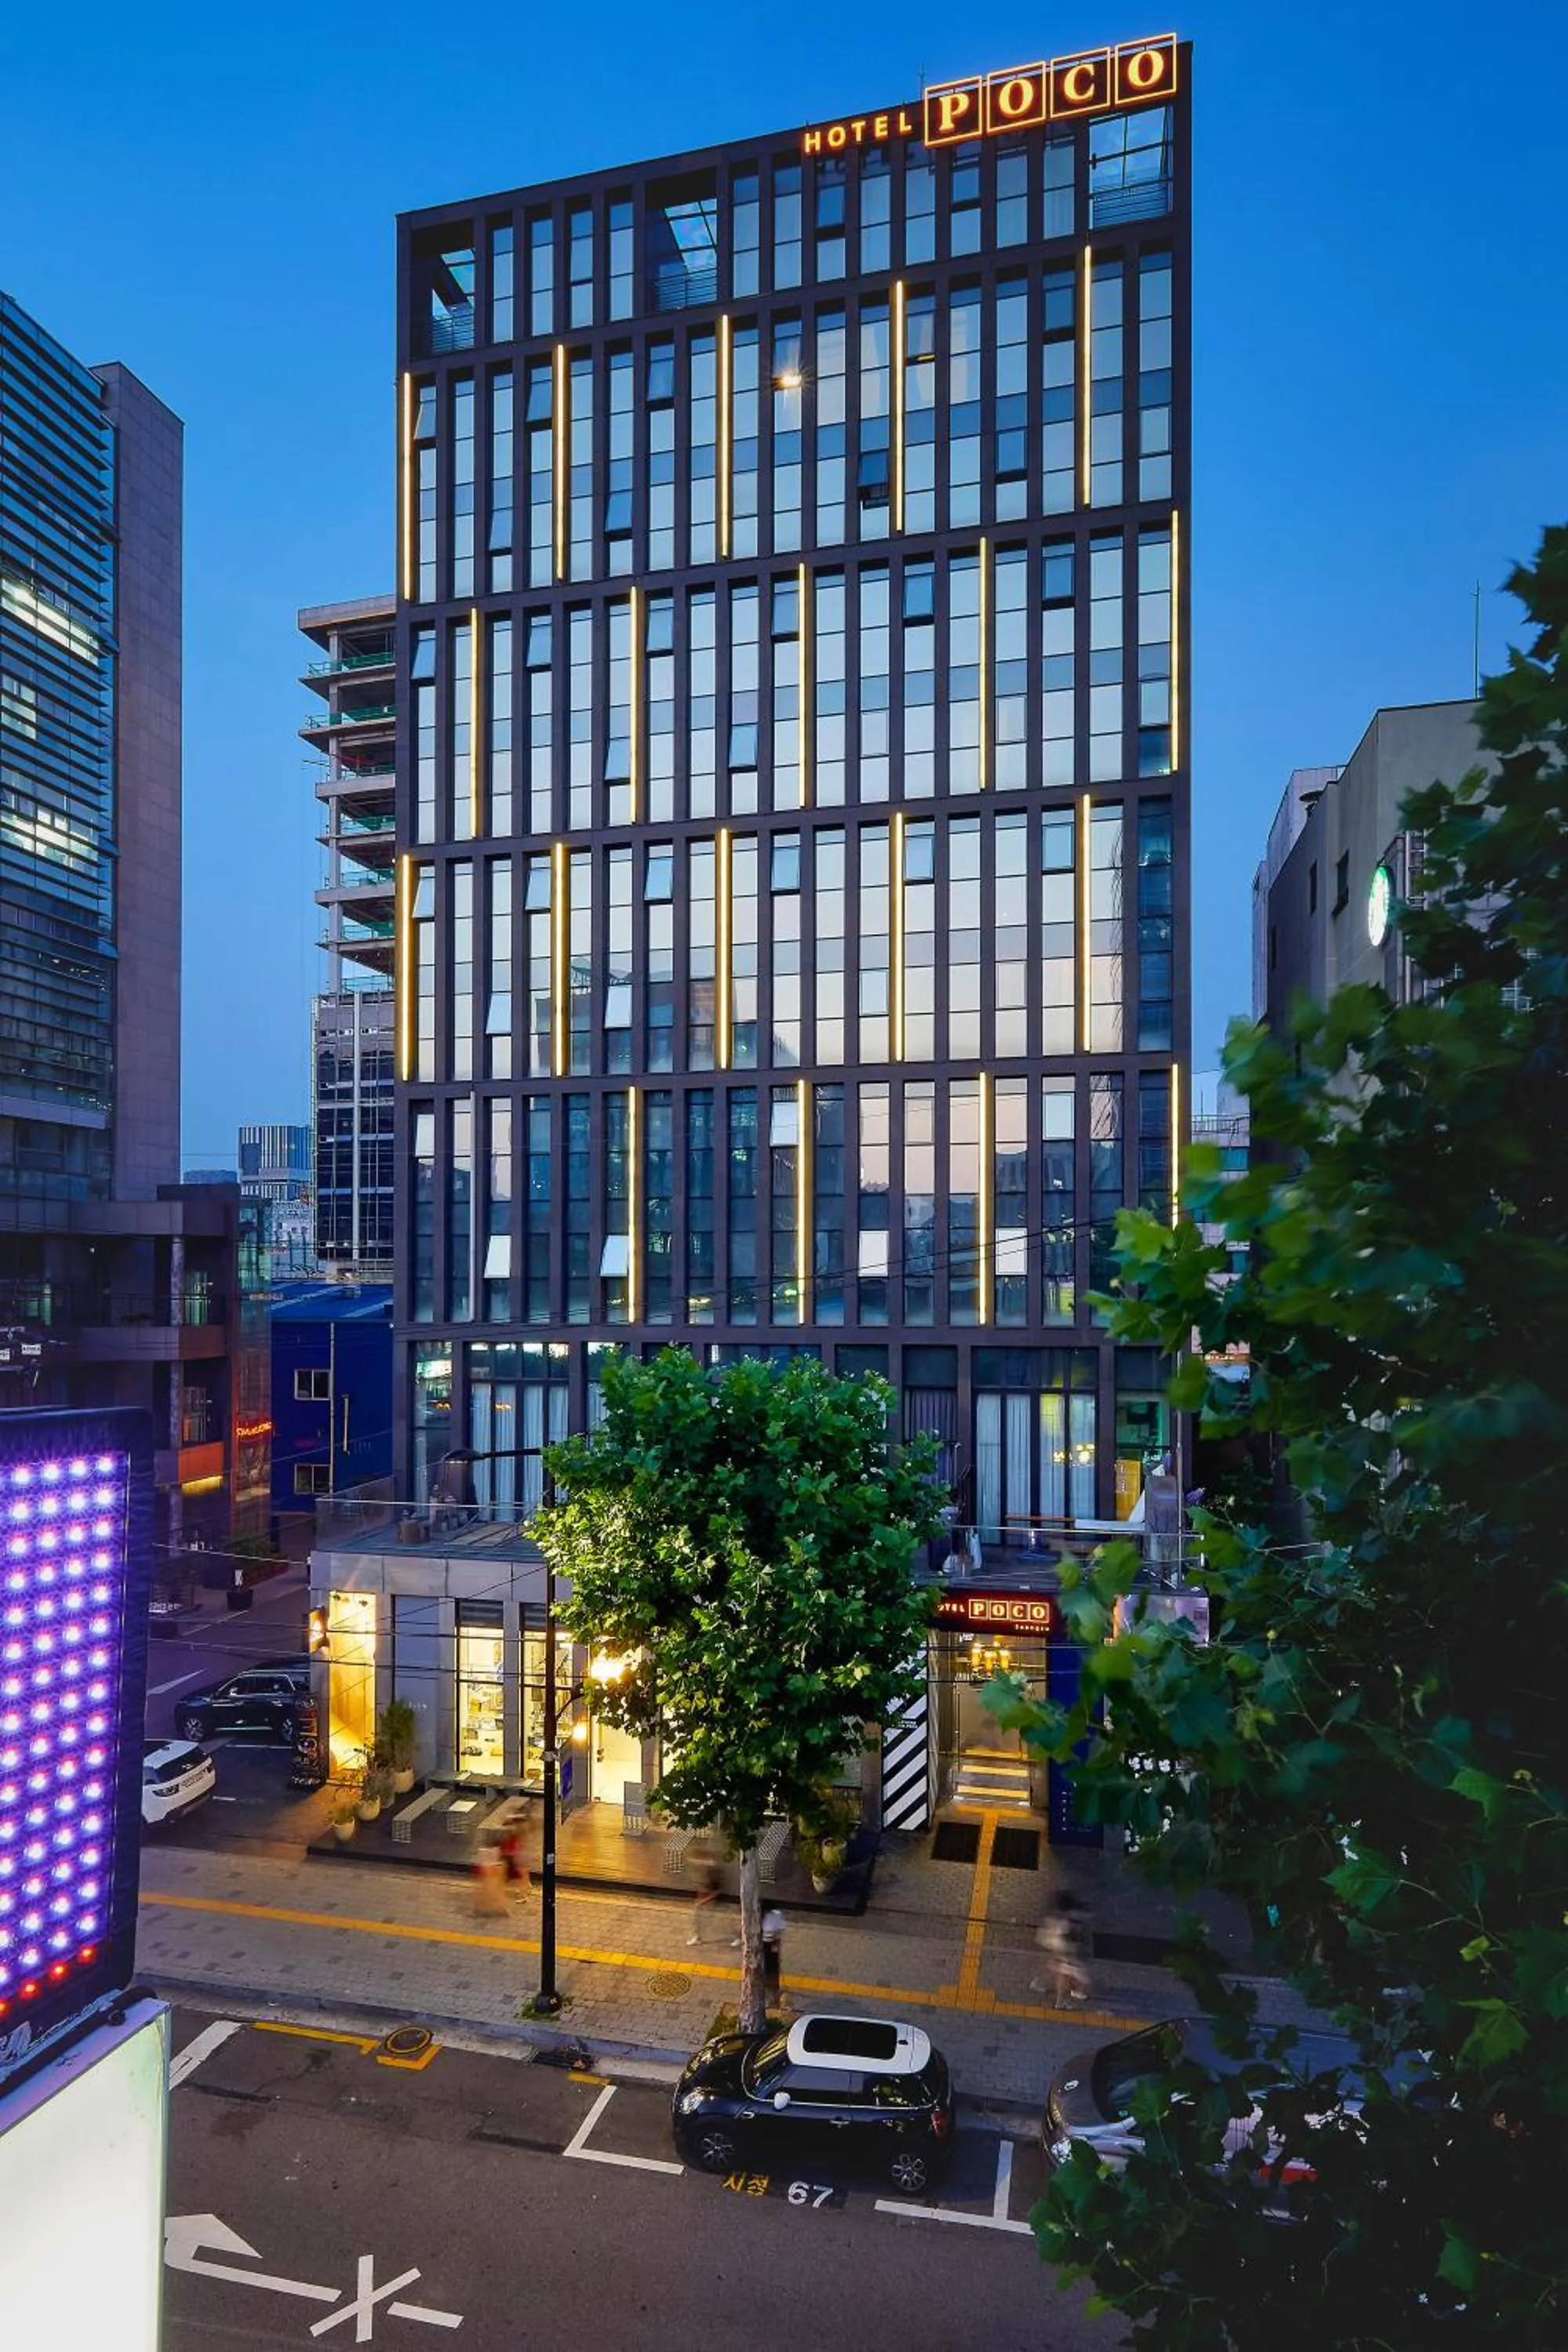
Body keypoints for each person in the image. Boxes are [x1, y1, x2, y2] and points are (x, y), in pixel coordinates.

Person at [1032, 1889, 1091, 2005]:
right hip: (1063, 1949)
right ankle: (1061, 2001)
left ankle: (1040, 1984)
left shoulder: (1059, 1916)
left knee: (1057, 1969)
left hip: (1057, 1946)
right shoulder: (1067, 1920)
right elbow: (1066, 1936)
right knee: (1064, 1973)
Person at [686, 1849, 724, 1946]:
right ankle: (697, 1937)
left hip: (709, 1902)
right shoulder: (705, 1874)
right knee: (698, 1919)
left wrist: (703, 1901)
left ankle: (737, 1936)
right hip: (704, 1901)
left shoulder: (713, 1875)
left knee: (706, 1921)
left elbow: (717, 1891)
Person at [472, 1824, 508, 1918]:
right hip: (495, 1871)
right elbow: (500, 1861)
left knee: (484, 1891)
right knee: (496, 1891)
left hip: (486, 1871)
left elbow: (480, 1861)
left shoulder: (483, 1850)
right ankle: (500, 1909)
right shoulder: (497, 1850)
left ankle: (481, 1909)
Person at [760, 1905, 787, 2011]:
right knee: (773, 1972)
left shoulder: (762, 1916)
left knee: (768, 1973)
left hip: (765, 1946)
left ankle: (772, 2000)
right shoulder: (777, 1915)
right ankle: (774, 2000)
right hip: (772, 1946)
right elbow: (782, 1929)